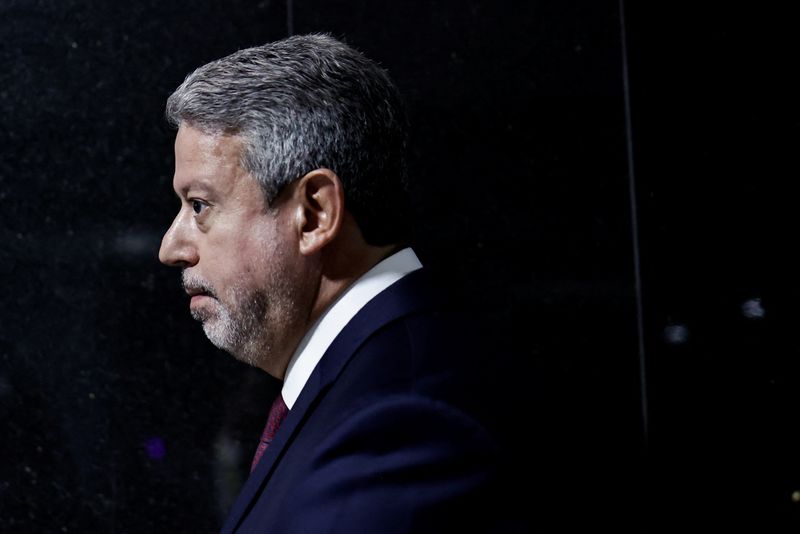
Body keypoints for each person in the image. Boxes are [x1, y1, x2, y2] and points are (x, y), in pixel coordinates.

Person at [159, 34, 507, 533]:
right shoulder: (377, 378)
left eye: (199, 205)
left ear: (315, 214)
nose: (171, 247)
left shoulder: (403, 418)